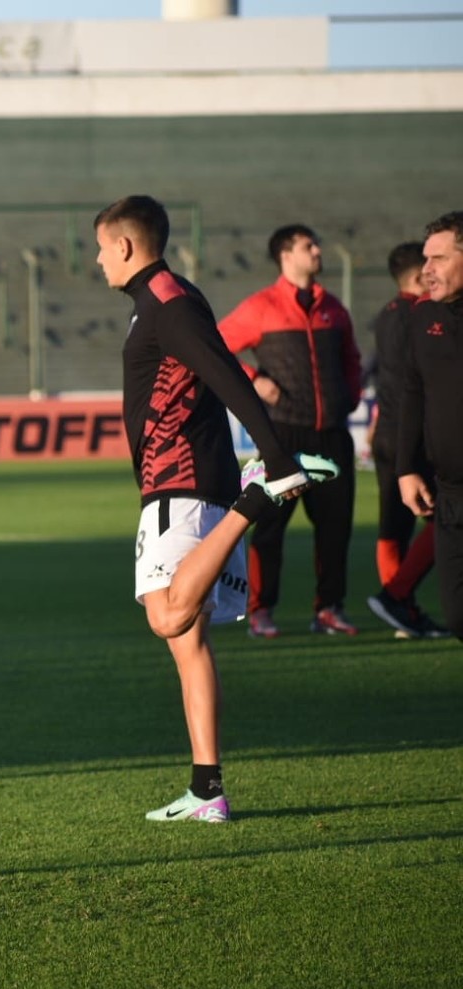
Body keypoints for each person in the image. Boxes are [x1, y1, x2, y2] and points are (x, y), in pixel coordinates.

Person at [93, 195, 331, 824]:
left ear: (124, 246)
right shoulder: (159, 300)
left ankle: (256, 498)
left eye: (101, 248)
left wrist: (275, 461)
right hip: (179, 481)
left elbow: (227, 375)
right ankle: (207, 790)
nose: (98, 261)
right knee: (187, 640)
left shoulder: (167, 301)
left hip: (183, 480)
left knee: (169, 617)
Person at [217, 224, 363, 637]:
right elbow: (215, 347)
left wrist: (349, 397)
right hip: (282, 436)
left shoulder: (333, 307)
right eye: (308, 246)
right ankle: (260, 610)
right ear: (286, 255)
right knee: (268, 529)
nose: (317, 251)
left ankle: (330, 609)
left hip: (333, 435)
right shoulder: (261, 306)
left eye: (316, 244)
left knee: (336, 530)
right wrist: (254, 379)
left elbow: (352, 358)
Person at [364, 242, 449, 638]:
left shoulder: (385, 316)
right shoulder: (422, 316)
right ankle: (397, 597)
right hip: (410, 434)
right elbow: (414, 384)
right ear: (419, 275)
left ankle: (400, 609)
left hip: (388, 430)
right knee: (447, 516)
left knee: (393, 525)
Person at [396, 210, 463, 643]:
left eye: (438, 258)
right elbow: (413, 392)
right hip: (450, 494)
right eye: (425, 258)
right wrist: (407, 468)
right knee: (457, 616)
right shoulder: (423, 317)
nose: (426, 270)